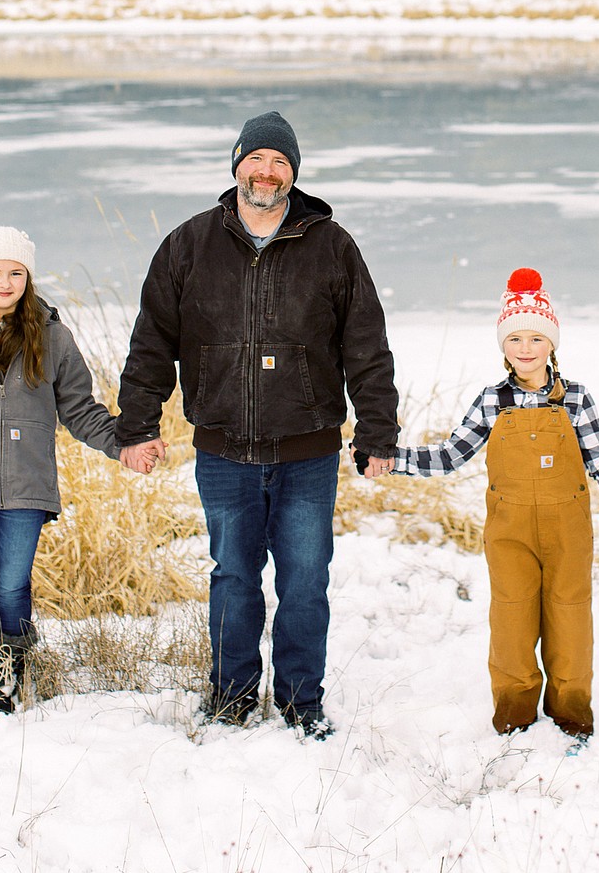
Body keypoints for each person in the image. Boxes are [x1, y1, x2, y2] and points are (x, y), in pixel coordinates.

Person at [115, 111, 398, 738]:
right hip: (224, 450)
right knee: (234, 577)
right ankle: (231, 696)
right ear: (237, 164)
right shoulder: (190, 245)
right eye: (257, 160)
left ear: (293, 174)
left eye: (280, 163)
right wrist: (138, 425)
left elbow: (367, 348)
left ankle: (302, 702)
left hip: (308, 452)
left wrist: (377, 433)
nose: (267, 173)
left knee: (304, 581)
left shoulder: (332, 245)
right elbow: (152, 344)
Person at [0, 226, 160, 719]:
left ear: (28, 278)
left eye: (16, 272)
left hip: (26, 488)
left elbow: (79, 409)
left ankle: (7, 668)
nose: (5, 282)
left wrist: (124, 445)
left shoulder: (53, 337)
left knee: (12, 587)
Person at [388, 268, 599, 741]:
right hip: (510, 531)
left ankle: (572, 713)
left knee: (571, 617)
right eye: (514, 338)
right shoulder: (490, 401)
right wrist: (391, 460)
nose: (525, 348)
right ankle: (515, 715)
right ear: (503, 345)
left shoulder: (575, 399)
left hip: (568, 531)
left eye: (536, 338)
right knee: (513, 621)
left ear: (552, 344)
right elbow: (449, 456)